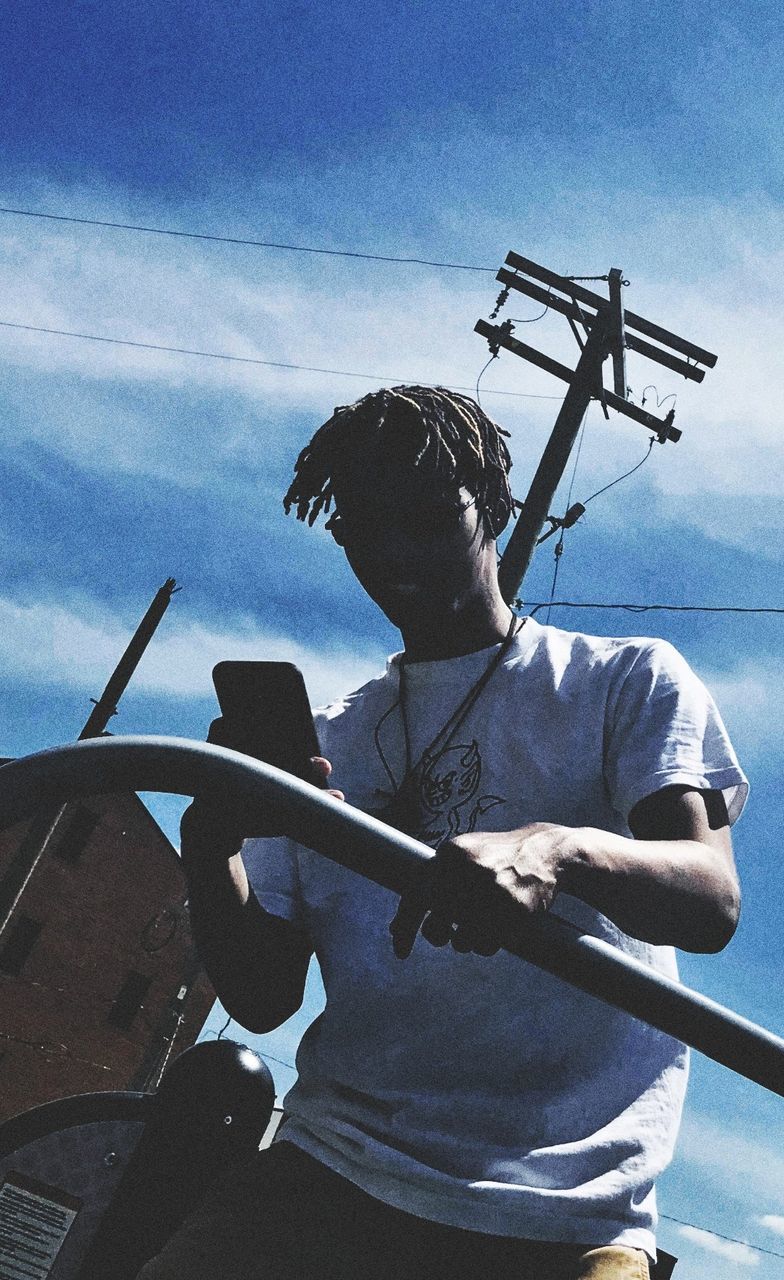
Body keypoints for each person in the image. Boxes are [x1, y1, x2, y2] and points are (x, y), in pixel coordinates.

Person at [144, 385, 748, 1280]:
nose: (397, 554)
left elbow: (711, 900)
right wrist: (214, 844)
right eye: (363, 530)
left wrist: (557, 847)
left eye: (428, 517)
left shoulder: (624, 681)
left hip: (566, 1214)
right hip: (332, 1171)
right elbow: (263, 994)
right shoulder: (328, 741)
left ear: (492, 504)